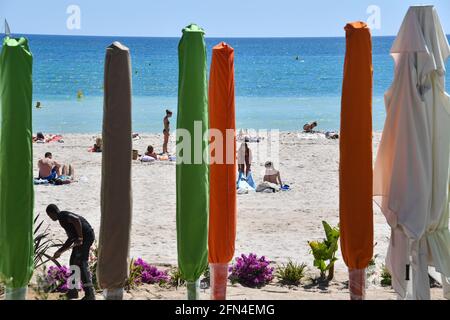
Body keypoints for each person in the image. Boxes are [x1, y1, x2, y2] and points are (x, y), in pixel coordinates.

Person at [46, 204, 96, 300]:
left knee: (81, 263)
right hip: (82, 239)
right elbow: (71, 239)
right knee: (73, 262)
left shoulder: (63, 216)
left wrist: (80, 237)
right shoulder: (62, 219)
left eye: (49, 216)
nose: (50, 218)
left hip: (87, 237)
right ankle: (73, 291)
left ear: (52, 213)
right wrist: (59, 251)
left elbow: (76, 219)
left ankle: (90, 294)